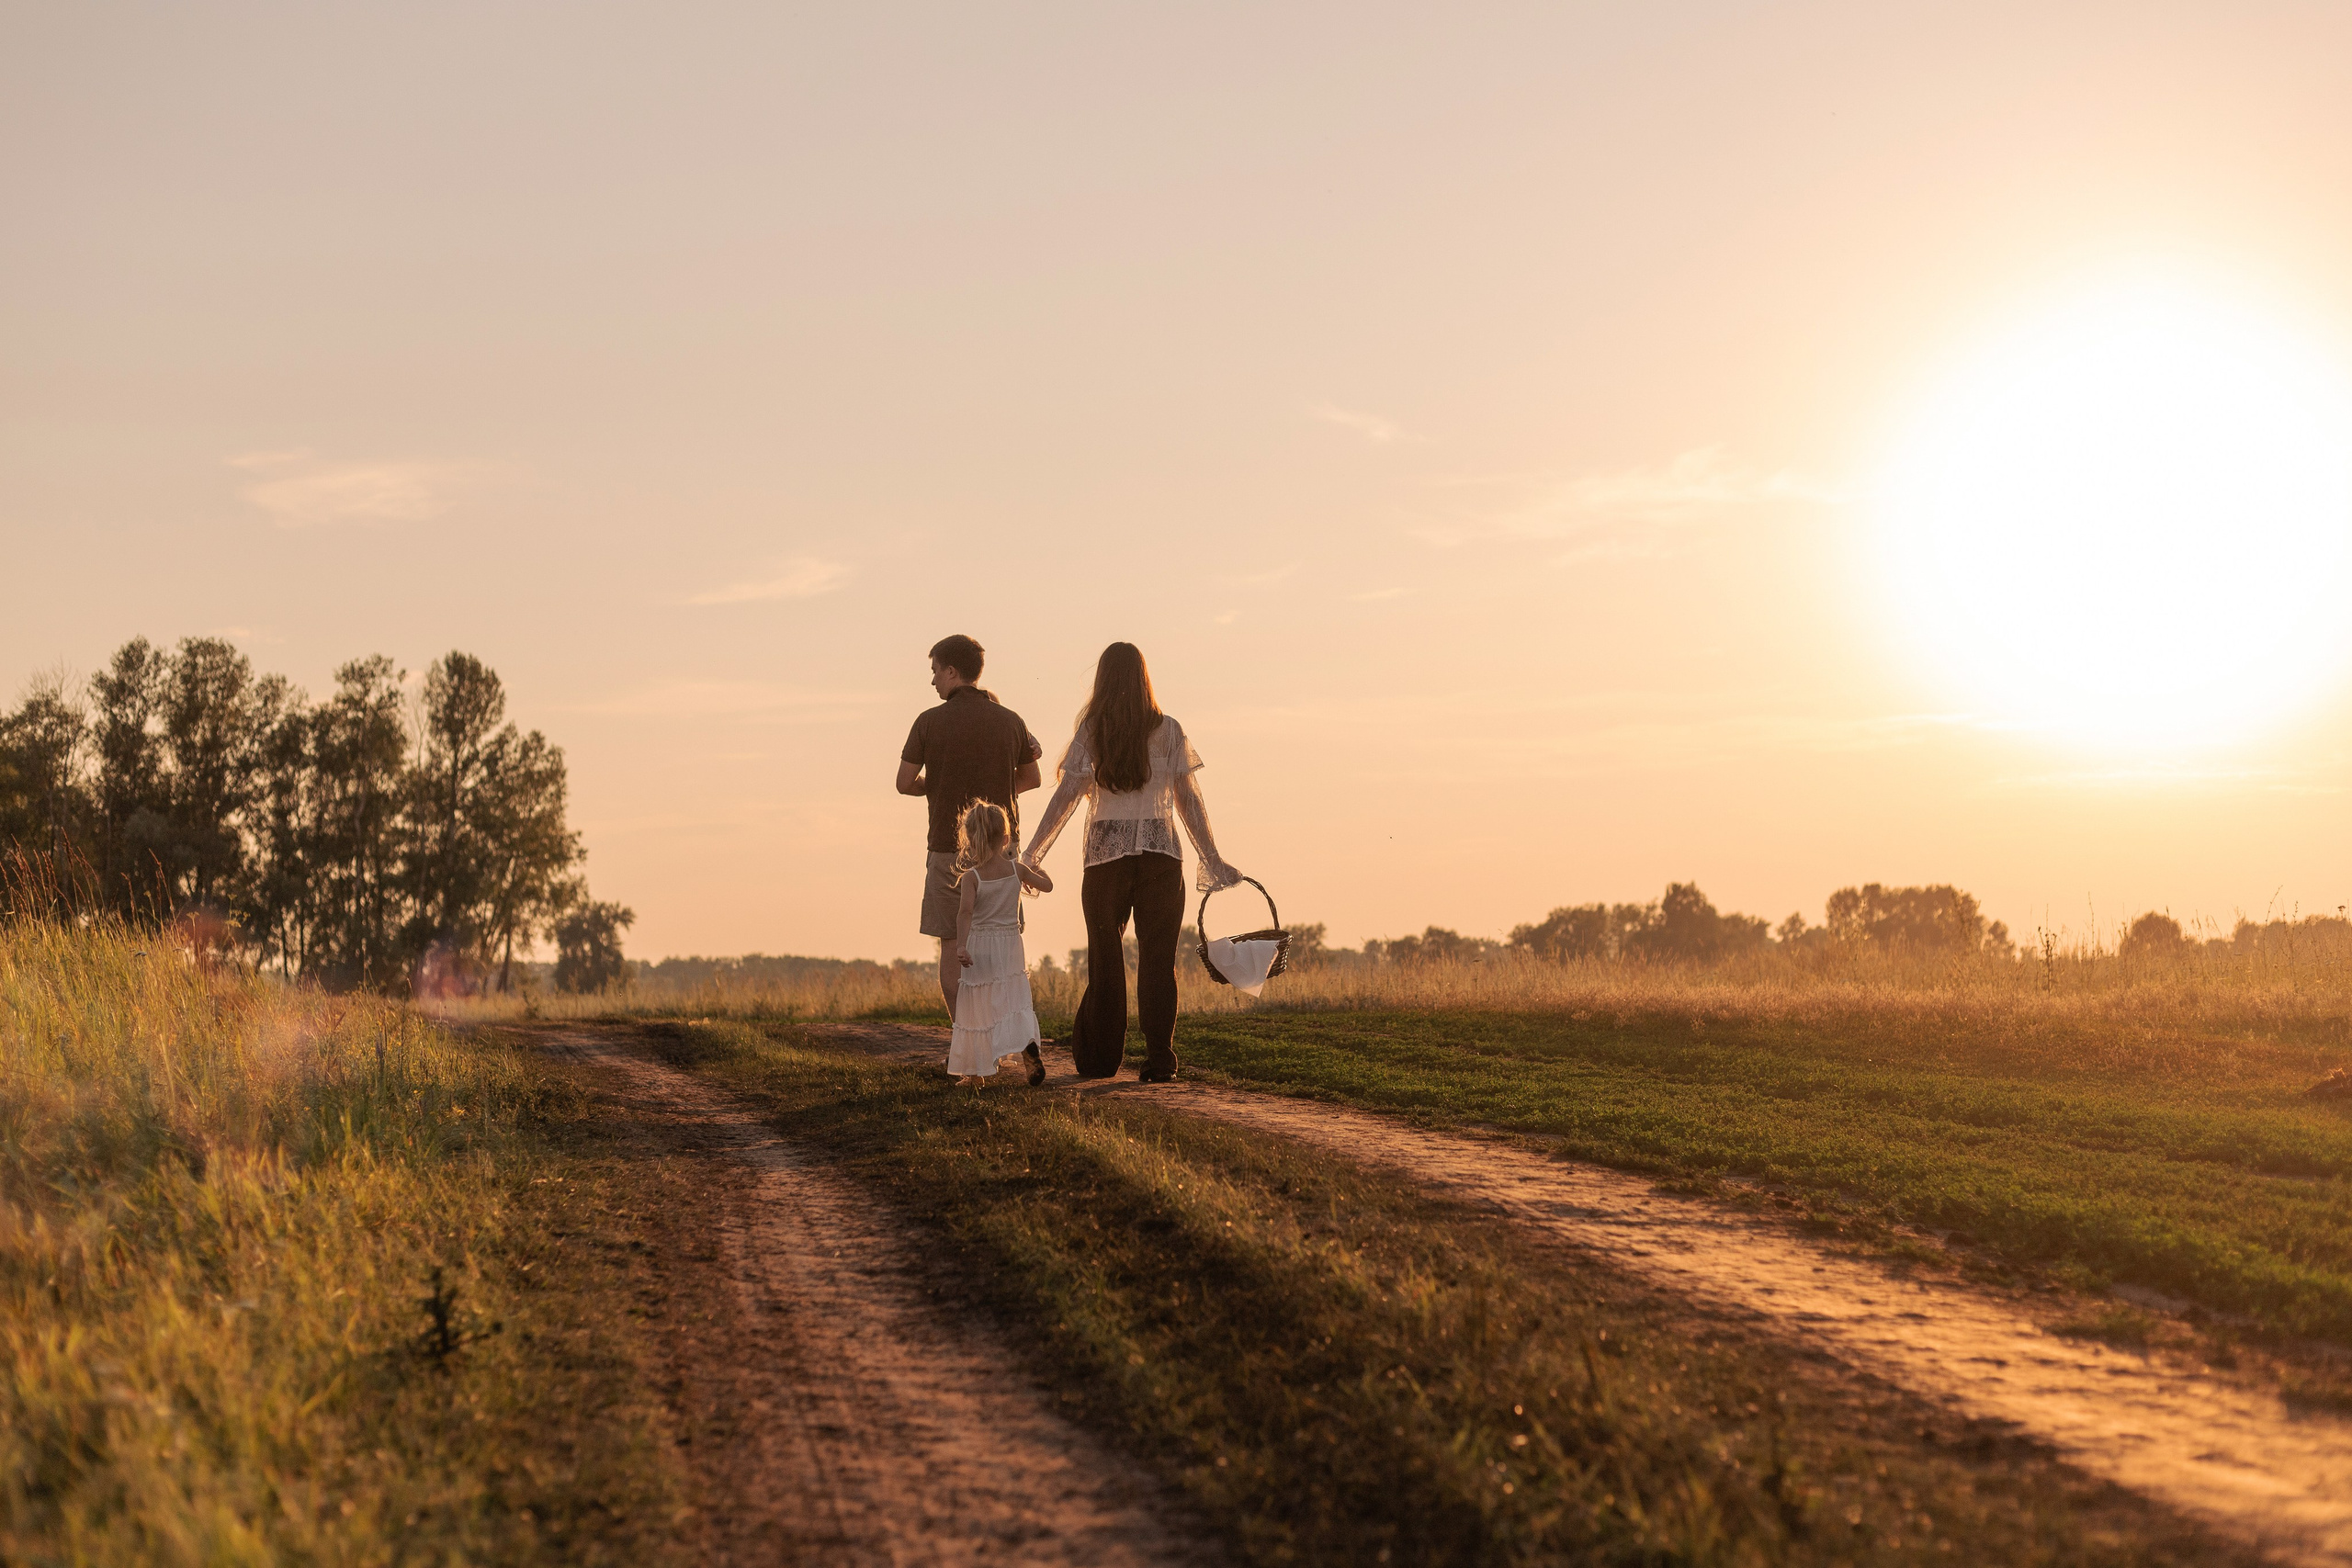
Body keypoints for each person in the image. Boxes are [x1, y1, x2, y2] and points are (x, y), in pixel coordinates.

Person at [1021, 642, 1242, 1082]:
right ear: (1144, 678)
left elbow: (1066, 798)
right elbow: (1189, 800)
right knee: (1159, 961)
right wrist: (1211, 858)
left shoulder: (1093, 731)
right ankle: (1160, 1060)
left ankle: (1102, 1060)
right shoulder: (1170, 729)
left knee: (1105, 959)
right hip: (1161, 857)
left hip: (1105, 858)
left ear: (1103, 681)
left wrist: (1033, 853)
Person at [897, 634, 1042, 1021]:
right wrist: (997, 788)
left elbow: (904, 783)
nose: (932, 682)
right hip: (1002, 853)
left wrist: (940, 784)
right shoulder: (1012, 721)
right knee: (1003, 943)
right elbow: (1033, 777)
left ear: (951, 671)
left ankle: (967, 1038)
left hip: (948, 849)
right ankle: (1001, 1037)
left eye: (934, 672)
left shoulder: (927, 722)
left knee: (951, 944)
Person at [946, 801, 1052, 1085]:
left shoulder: (972, 877)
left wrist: (960, 946)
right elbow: (1048, 886)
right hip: (1010, 946)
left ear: (971, 839)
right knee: (1013, 999)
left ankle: (977, 1073)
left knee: (980, 1005)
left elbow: (965, 913)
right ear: (1006, 838)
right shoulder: (1017, 871)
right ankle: (1027, 1048)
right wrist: (1033, 866)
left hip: (980, 947)